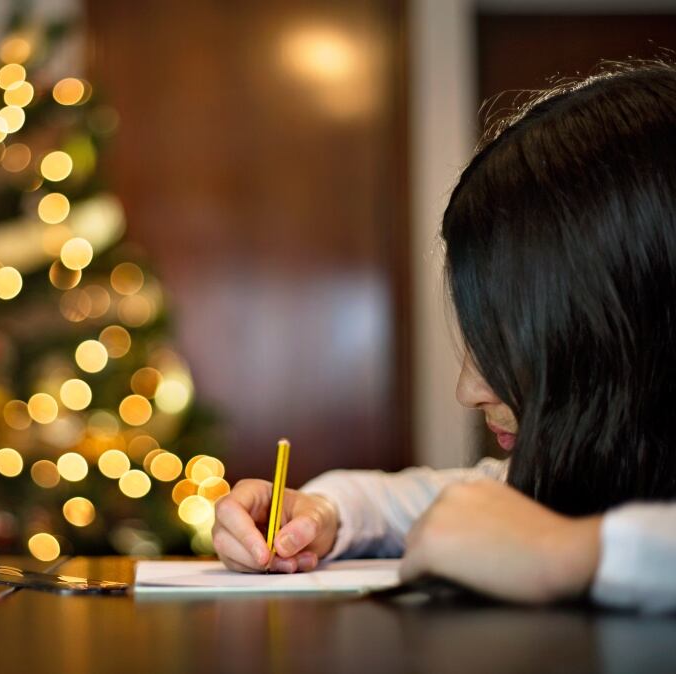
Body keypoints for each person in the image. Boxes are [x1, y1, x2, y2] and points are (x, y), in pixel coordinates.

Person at [212, 63, 676, 612]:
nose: (468, 390)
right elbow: (423, 503)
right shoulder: (588, 476)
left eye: (506, 338)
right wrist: (320, 513)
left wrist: (571, 553)